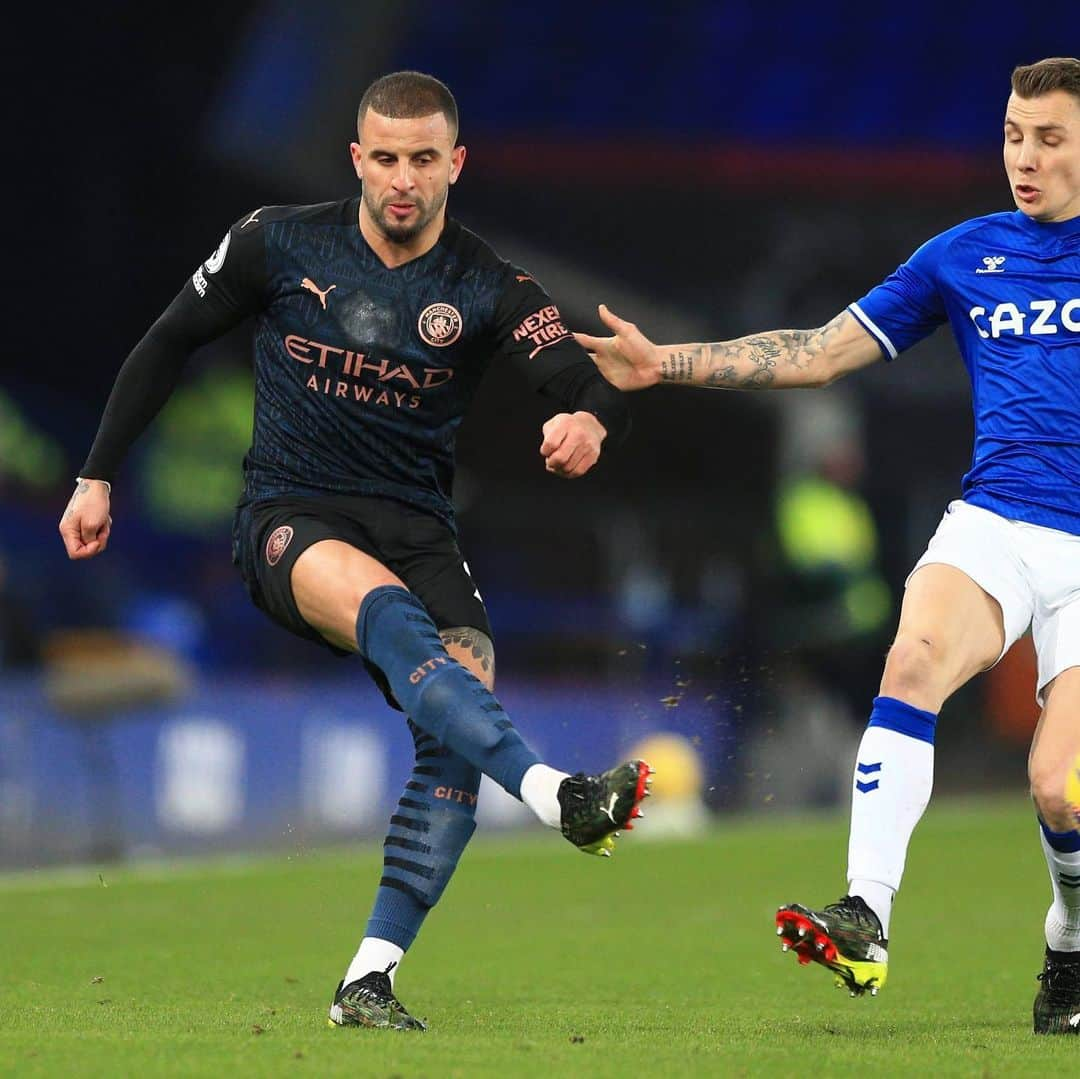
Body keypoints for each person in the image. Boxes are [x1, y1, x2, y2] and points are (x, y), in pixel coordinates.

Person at [58, 71, 652, 1032]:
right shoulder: (276, 240)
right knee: (394, 615)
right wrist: (96, 474)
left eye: (424, 158)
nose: (403, 179)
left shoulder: (487, 284)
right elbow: (168, 340)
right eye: (385, 158)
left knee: (462, 711)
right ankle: (550, 792)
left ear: (456, 162)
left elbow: (587, 381)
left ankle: (367, 979)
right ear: (356, 160)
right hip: (290, 515)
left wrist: (588, 421)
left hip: (418, 527)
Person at [576, 56, 1080, 1035]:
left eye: (1050, 137)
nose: (1024, 156)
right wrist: (663, 363)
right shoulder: (963, 255)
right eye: (1014, 135)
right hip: (995, 520)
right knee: (914, 655)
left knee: (1059, 784)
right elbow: (813, 351)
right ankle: (867, 913)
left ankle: (1068, 937)